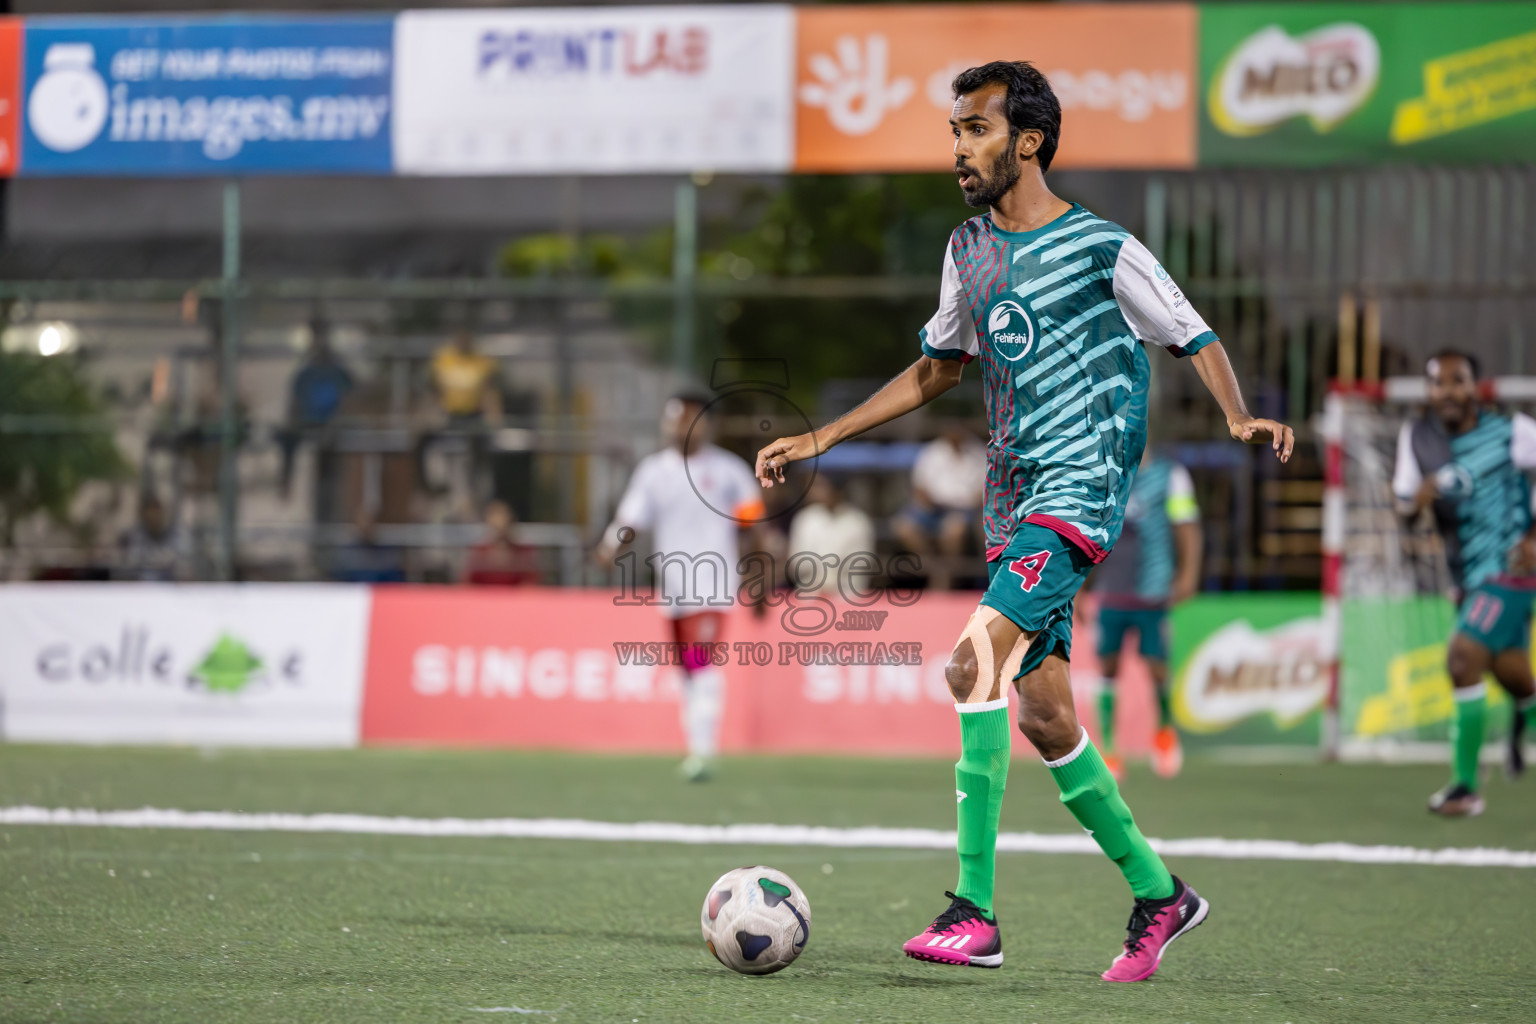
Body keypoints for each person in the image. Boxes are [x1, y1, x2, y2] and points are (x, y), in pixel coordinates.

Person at [754, 61, 1292, 983]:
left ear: (1027, 141)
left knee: (973, 664)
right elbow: (937, 368)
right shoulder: (968, 250)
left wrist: (1238, 416)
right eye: (955, 130)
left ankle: (974, 912)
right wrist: (825, 436)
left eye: (974, 129)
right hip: (1011, 503)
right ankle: (1160, 893)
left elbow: (1191, 332)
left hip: (1080, 491)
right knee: (1045, 719)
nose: (958, 147)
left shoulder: (1102, 246)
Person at [1392, 351, 1536, 817]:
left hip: (1512, 571)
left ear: (1476, 386)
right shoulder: (1417, 438)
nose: (1449, 390)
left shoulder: (1513, 431)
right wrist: (1418, 503)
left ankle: (1465, 786)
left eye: (1459, 381)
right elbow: (1404, 508)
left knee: (1462, 656)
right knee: (1513, 675)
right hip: (1467, 576)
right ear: (1428, 391)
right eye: (1438, 382)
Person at [597, 392, 766, 782]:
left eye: (688, 419)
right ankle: (696, 746)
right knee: (686, 671)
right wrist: (610, 548)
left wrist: (758, 581)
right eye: (672, 419)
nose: (678, 428)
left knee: (701, 664)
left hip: (713, 584)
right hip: (673, 588)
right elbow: (630, 520)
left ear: (706, 423)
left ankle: (703, 752)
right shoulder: (654, 471)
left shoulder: (729, 471)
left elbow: (753, 528)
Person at [1092, 450, 1202, 780]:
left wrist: (1188, 574)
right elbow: (1085, 530)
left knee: (1157, 667)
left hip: (1152, 589)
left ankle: (1165, 732)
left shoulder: (1171, 475)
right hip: (1111, 588)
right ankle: (1110, 750)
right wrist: (1081, 587)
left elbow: (1187, 526)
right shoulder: (1102, 472)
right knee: (1107, 667)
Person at [894, 425, 988, 589]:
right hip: (933, 507)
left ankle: (946, 579)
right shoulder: (932, 451)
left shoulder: (978, 451)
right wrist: (931, 502)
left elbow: (983, 490)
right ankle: (935, 569)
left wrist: (963, 504)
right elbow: (920, 488)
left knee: (953, 529)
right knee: (903, 527)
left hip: (965, 509)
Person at [280, 319, 353, 497]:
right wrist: (293, 422)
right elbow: (294, 402)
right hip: (309, 422)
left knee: (330, 451)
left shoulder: (338, 370)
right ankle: (285, 484)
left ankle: (333, 492)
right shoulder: (306, 372)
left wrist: (338, 420)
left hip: (335, 424)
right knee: (287, 437)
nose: (320, 341)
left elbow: (352, 396)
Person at [788, 476, 876, 594]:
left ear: (837, 490)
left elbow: (862, 563)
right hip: (810, 592)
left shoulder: (858, 521)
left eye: (821, 486)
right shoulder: (805, 519)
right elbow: (796, 562)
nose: (816, 491)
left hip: (847, 593)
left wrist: (832, 582)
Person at [463, 499, 541, 586]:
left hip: (516, 598)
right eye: (494, 515)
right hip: (485, 598)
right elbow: (468, 584)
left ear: (510, 518)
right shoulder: (479, 551)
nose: (499, 521)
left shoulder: (524, 550)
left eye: (502, 515)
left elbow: (531, 582)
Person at [117, 493, 192, 582]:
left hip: (172, 589)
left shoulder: (177, 535)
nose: (154, 515)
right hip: (141, 590)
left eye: (157, 510)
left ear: (164, 512)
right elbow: (129, 567)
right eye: (150, 511)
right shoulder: (134, 536)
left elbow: (184, 568)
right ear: (144, 514)